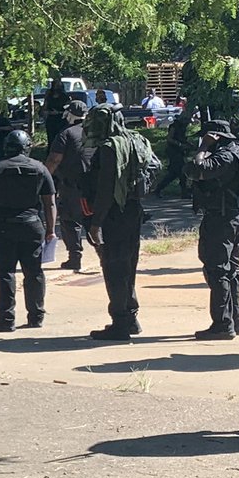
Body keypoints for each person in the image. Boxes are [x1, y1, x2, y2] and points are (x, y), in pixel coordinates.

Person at [0, 129, 57, 331]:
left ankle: (6, 317)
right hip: (32, 226)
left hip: (2, 226)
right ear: (27, 148)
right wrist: (51, 230)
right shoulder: (40, 168)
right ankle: (36, 316)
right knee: (34, 272)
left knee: (5, 273)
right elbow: (50, 203)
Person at [83, 104, 154, 340]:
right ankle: (130, 318)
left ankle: (121, 322)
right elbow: (154, 167)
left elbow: (105, 189)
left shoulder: (109, 148)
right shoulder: (137, 140)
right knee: (128, 265)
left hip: (114, 214)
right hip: (134, 210)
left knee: (114, 268)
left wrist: (96, 223)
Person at [184, 119, 239, 339]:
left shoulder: (224, 156)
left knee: (217, 270)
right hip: (237, 218)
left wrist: (203, 147)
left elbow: (197, 169)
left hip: (222, 219)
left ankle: (223, 324)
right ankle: (235, 319)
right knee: (230, 271)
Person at [44, 100, 95, 270]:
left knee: (69, 220)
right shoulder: (94, 132)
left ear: (70, 114)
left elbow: (54, 160)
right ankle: (104, 254)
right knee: (93, 219)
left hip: (72, 186)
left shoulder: (65, 134)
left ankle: (75, 257)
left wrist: (42, 178)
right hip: (95, 185)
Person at [153, 113, 193, 198]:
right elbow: (169, 139)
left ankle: (158, 189)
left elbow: (182, 138)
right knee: (181, 172)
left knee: (174, 174)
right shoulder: (174, 126)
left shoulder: (183, 127)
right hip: (173, 152)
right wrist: (180, 144)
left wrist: (188, 144)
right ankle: (184, 193)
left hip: (179, 152)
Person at [43, 77, 70, 146]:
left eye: (58, 84)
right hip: (51, 120)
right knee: (51, 139)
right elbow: (45, 107)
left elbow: (68, 110)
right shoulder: (49, 94)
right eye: (55, 83)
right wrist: (47, 112)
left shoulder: (64, 96)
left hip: (61, 120)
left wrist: (58, 112)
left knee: (60, 138)